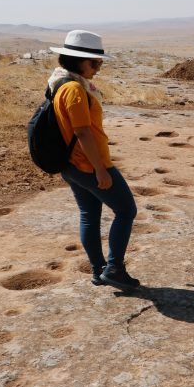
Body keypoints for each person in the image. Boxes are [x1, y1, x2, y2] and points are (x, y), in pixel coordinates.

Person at [49, 30, 140, 291]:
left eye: (99, 63)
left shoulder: (60, 83)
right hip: (88, 164)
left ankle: (99, 270)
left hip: (71, 166)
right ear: (78, 61)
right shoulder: (75, 89)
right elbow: (82, 132)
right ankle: (114, 269)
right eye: (94, 63)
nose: (98, 68)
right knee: (126, 211)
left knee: (89, 214)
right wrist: (100, 169)